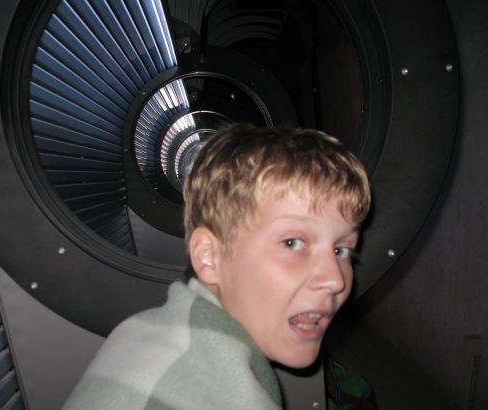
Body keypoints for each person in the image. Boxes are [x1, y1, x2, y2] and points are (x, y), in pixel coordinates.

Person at [62, 124, 371, 410]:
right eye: (292, 243)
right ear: (210, 255)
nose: (336, 279)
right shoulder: (236, 401)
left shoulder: (138, 331)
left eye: (342, 250)